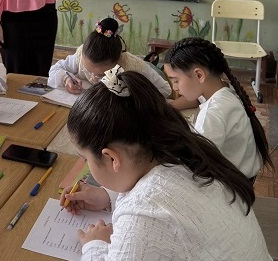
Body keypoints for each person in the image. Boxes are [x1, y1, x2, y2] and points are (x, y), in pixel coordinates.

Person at [60, 66, 271, 260]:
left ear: (112, 158)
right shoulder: (183, 153)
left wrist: (95, 245)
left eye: (85, 158)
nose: (86, 163)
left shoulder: (142, 215)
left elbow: (151, 211)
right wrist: (107, 197)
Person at [163, 37, 273, 180]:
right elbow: (195, 99)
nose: (175, 88)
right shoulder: (222, 90)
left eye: (175, 80)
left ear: (199, 75)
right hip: (244, 174)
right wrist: (166, 107)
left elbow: (196, 161)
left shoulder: (213, 113)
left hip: (233, 183)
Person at [48, 17, 172, 98]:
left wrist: (130, 95)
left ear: (118, 61)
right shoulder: (80, 55)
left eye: (101, 75)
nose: (93, 77)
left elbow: (165, 90)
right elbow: (54, 70)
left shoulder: (133, 66)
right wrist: (65, 79)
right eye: (87, 70)